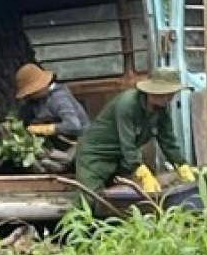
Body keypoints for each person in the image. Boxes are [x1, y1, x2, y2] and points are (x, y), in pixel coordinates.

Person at [72, 67, 197, 195]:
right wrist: (143, 173)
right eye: (165, 94)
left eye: (171, 94)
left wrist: (182, 165)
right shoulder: (128, 104)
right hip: (96, 155)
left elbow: (168, 142)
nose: (169, 99)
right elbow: (127, 144)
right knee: (90, 199)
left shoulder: (160, 110)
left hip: (120, 159)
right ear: (151, 91)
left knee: (123, 199)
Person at [14, 62, 89, 142]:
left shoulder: (59, 98)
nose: (28, 96)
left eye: (30, 93)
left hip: (79, 142)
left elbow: (74, 126)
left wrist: (44, 129)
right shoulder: (36, 101)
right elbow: (24, 118)